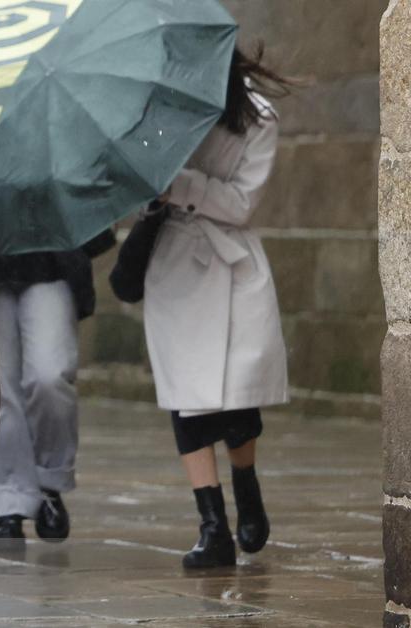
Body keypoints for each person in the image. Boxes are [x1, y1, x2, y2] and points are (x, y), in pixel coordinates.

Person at [0, 134, 115, 555]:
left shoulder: (54, 118)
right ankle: (8, 502)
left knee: (51, 375)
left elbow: (91, 193)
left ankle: (51, 481)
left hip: (48, 258)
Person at [142, 46, 292, 569]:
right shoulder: (160, 110)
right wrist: (151, 187)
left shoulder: (259, 116)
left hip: (231, 264)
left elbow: (242, 203)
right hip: (176, 264)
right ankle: (213, 528)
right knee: (184, 396)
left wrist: (179, 183)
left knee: (237, 397)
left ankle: (246, 488)